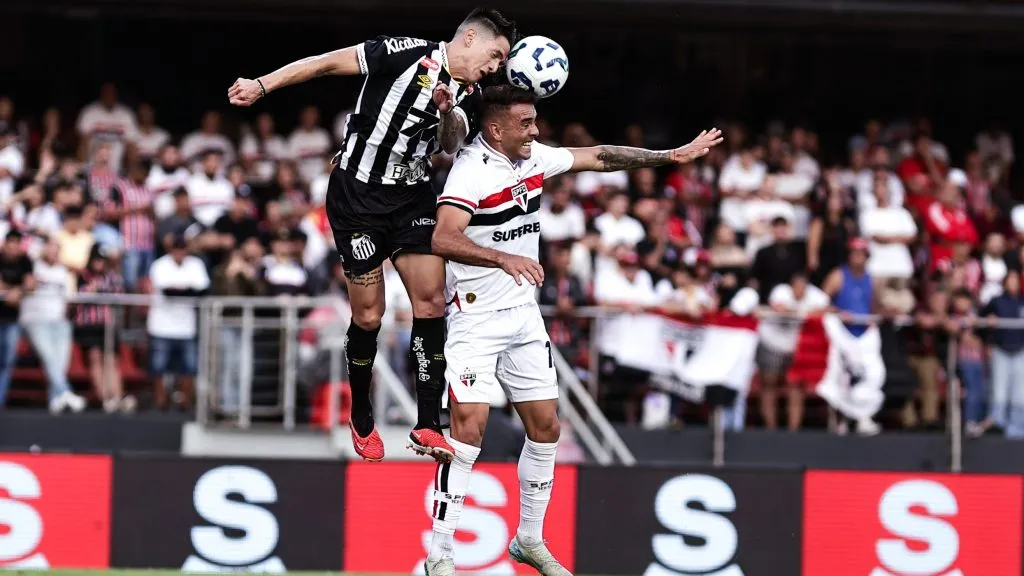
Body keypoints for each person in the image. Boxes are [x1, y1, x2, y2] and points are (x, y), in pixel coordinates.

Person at [425, 85, 722, 576]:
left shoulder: (535, 156)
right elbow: (442, 236)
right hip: (474, 318)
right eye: (526, 123)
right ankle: (440, 552)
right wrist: (504, 258)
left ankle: (528, 538)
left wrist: (670, 155)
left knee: (547, 429)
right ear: (495, 128)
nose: (536, 130)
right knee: (467, 434)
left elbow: (600, 157)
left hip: (523, 316)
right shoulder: (471, 170)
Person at [228, 8, 517, 463]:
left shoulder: (470, 91)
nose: (496, 64)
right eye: (495, 53)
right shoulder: (402, 53)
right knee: (369, 317)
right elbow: (324, 62)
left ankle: (426, 423)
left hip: (412, 201)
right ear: (468, 39)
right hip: (356, 198)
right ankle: (361, 412)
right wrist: (263, 84)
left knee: (431, 301)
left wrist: (446, 110)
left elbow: (449, 142)